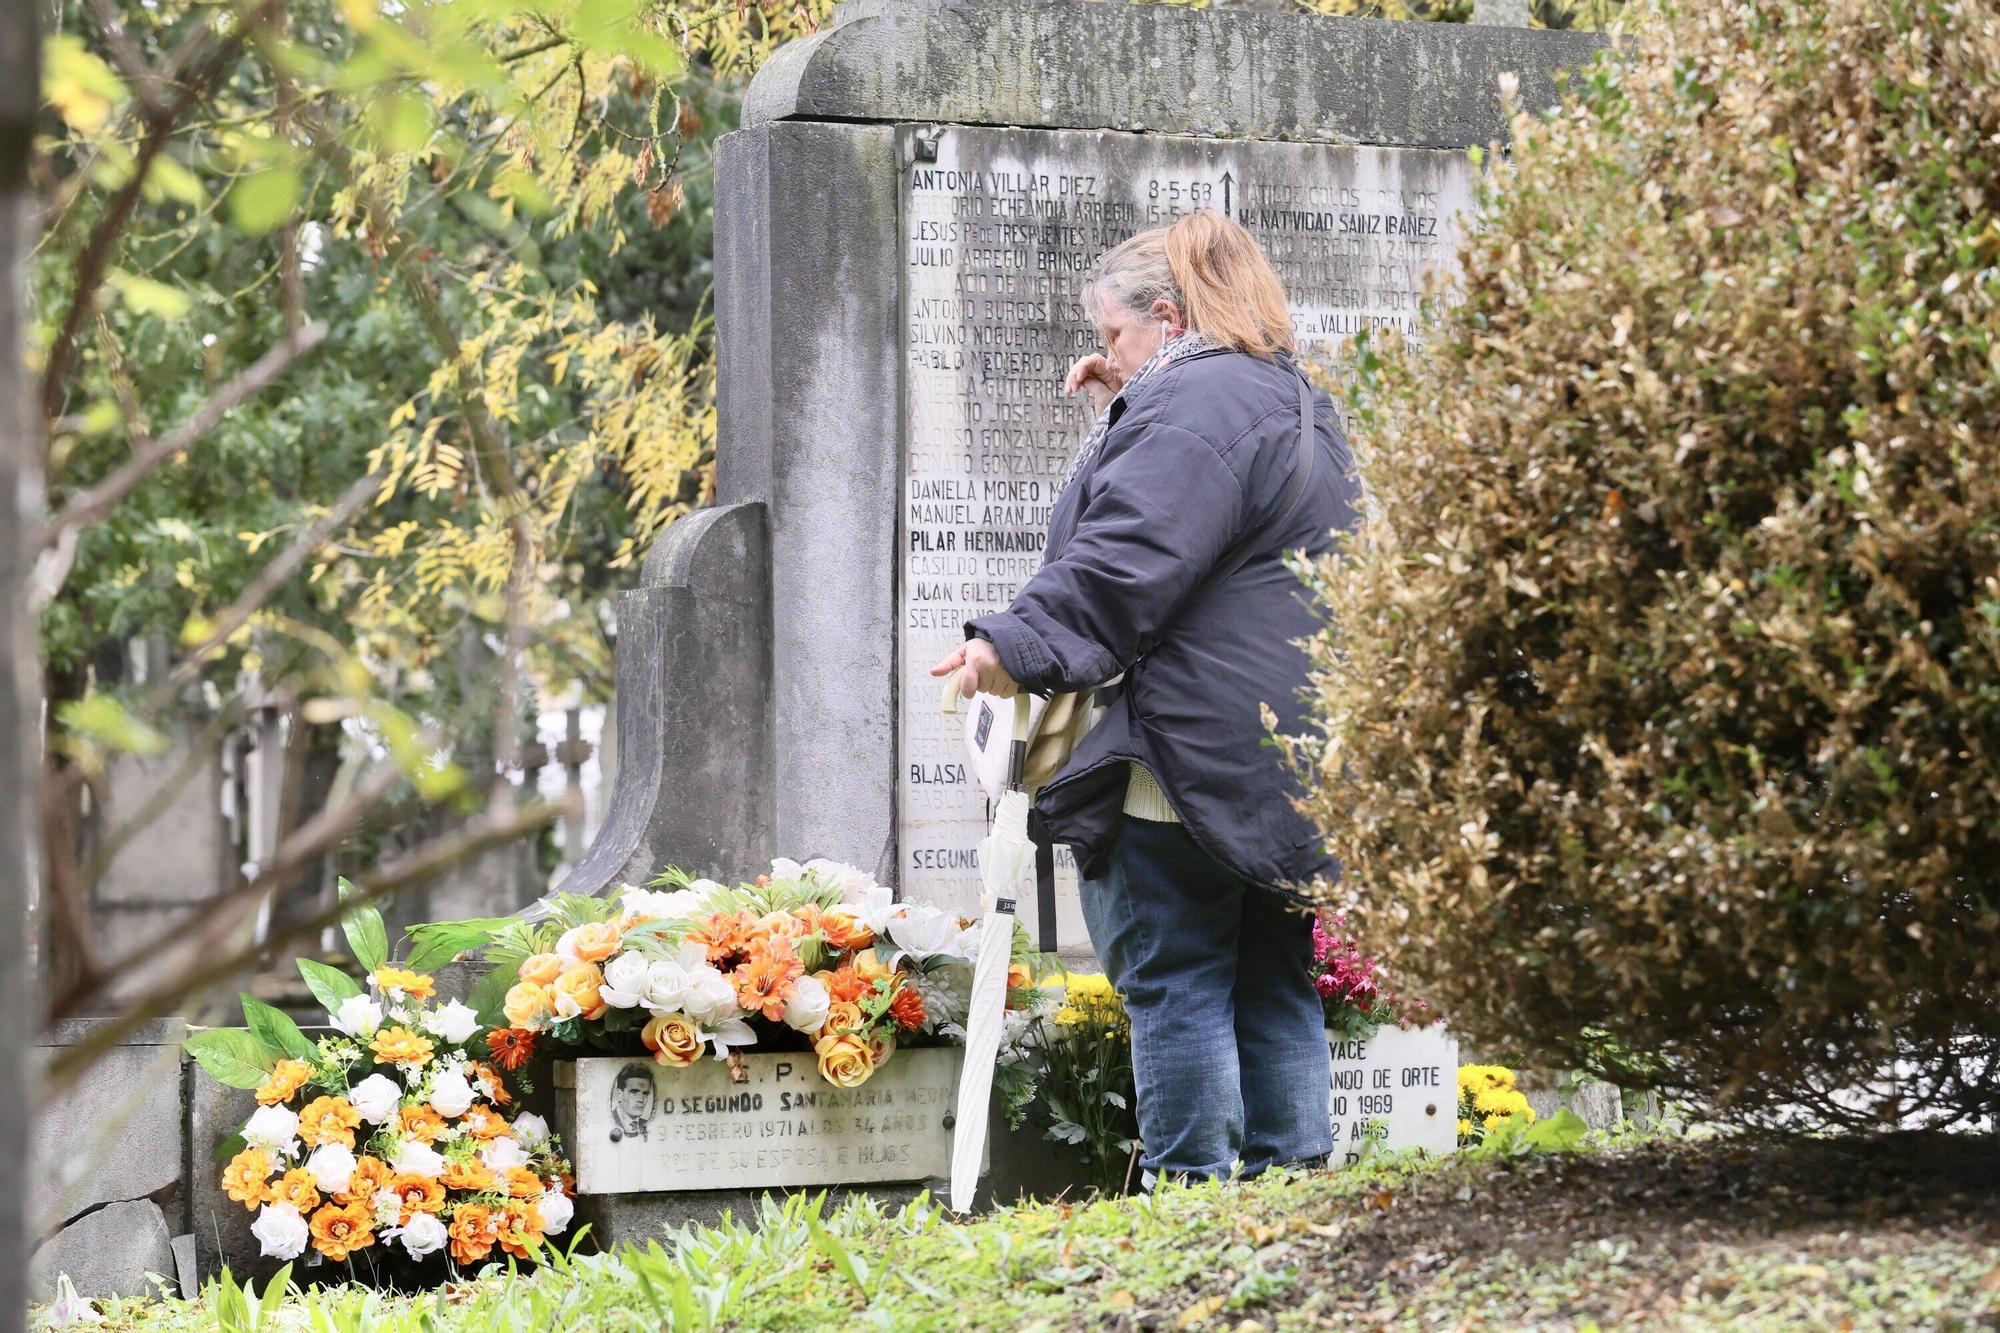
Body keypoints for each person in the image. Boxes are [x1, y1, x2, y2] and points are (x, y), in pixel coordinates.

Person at [929, 210, 1364, 1186]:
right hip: (1283, 762)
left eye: (1113, 335)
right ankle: (1293, 1197)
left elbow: (1124, 560)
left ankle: (1192, 1205)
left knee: (1173, 982)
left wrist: (1008, 643)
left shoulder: (1189, 407)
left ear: (1166, 318)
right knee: (1272, 982)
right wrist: (1125, 404)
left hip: (1180, 762)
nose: (1101, 354)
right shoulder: (1297, 400)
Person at [608, 1062, 656, 1143]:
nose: (641, 1099)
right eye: (634, 1092)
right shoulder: (611, 1120)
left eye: (645, 1093)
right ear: (619, 1094)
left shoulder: (645, 1123)